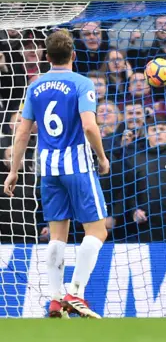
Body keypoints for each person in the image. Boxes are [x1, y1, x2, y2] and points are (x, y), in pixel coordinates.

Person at [2, 30, 109, 319]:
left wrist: (13, 170)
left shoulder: (34, 86)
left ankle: (54, 299)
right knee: (97, 230)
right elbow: (88, 125)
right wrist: (101, 156)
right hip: (76, 164)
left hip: (46, 167)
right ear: (73, 55)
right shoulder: (82, 83)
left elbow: (23, 130)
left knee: (57, 235)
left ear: (46, 57)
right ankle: (75, 291)